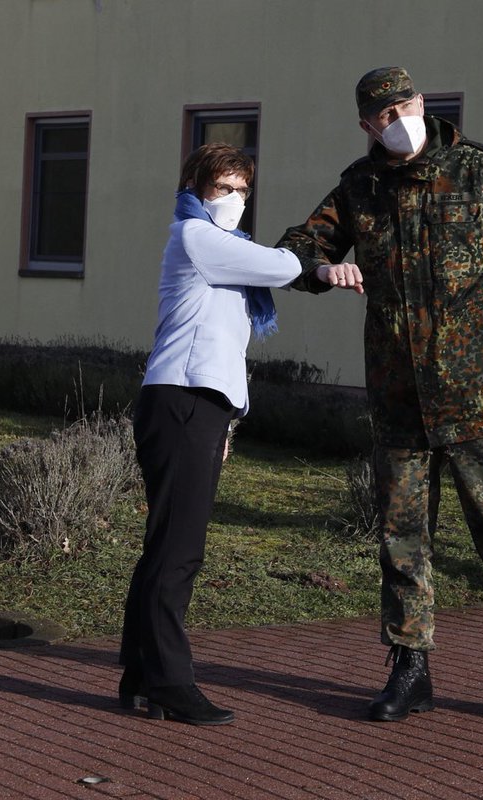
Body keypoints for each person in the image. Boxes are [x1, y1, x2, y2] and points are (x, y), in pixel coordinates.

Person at [278, 67, 483, 729]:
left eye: (404, 105)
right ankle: (410, 667)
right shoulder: (361, 186)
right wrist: (323, 269)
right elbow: (299, 246)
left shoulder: (478, 170)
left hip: (480, 397)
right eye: (382, 114)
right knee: (402, 538)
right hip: (401, 399)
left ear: (422, 103)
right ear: (366, 125)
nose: (396, 119)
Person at [119, 143, 362, 725]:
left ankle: (139, 675)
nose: (234, 200)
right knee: (180, 552)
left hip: (196, 405)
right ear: (196, 188)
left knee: (167, 546)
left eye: (242, 190)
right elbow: (278, 265)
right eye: (222, 188)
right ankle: (172, 683)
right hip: (181, 400)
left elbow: (225, 341)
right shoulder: (196, 239)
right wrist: (323, 267)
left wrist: (225, 419)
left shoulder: (226, 253)